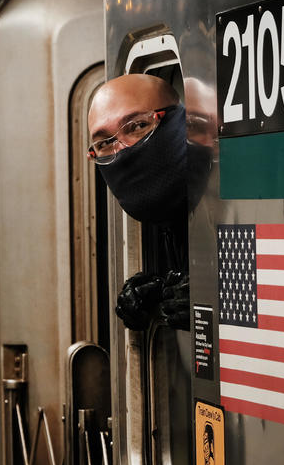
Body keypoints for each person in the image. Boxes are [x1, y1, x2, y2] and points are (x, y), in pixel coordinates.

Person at [87, 73, 212, 332]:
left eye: (137, 127)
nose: (121, 149)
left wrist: (221, 300)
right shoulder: (166, 221)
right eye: (105, 143)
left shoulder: (234, 190)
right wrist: (158, 290)